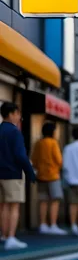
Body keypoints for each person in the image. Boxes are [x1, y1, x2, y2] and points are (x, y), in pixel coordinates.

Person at [0, 102, 36, 249]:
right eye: (18, 114)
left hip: (0, 173)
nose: (19, 117)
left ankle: (3, 235)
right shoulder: (14, 132)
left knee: (2, 206)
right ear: (12, 113)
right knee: (13, 206)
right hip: (13, 173)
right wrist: (30, 172)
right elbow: (21, 155)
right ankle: (11, 237)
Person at [31, 122, 67, 235]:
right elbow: (59, 160)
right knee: (54, 201)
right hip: (53, 175)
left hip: (41, 176)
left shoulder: (38, 143)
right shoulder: (53, 143)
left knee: (43, 201)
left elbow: (34, 160)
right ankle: (53, 224)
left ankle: (42, 224)